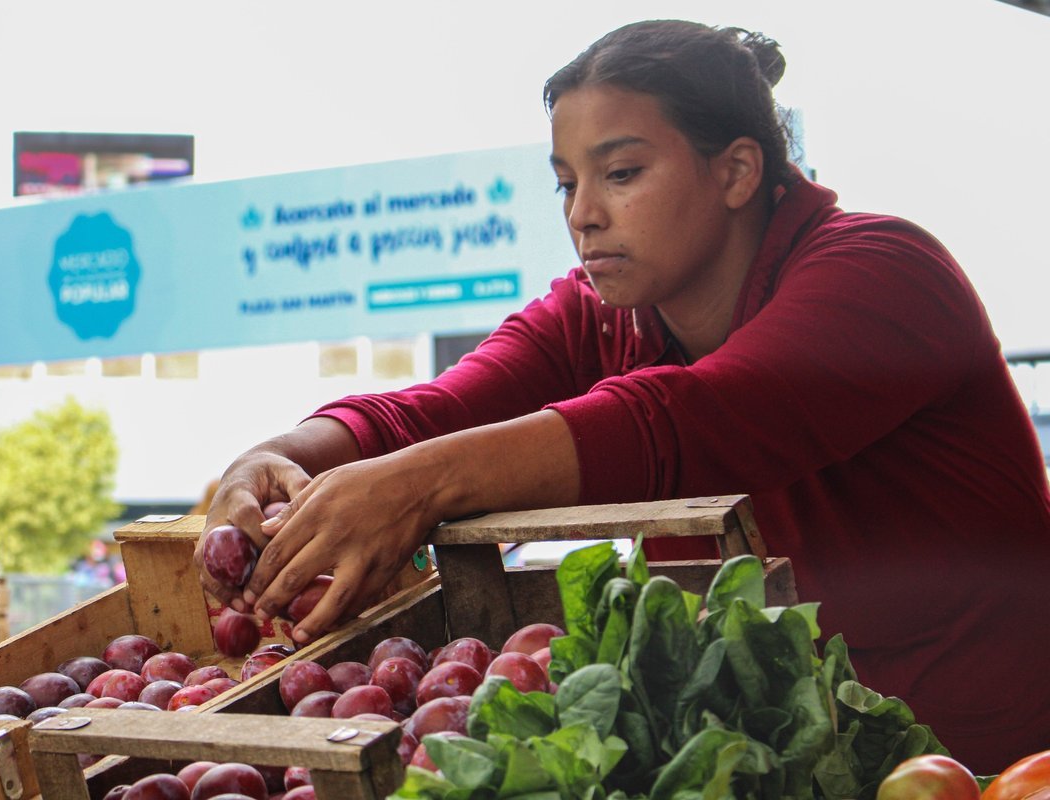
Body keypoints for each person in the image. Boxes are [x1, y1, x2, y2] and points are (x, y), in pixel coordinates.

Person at [196, 20, 1050, 773]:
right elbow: (435, 410)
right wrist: (274, 458)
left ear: (739, 171)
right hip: (783, 765)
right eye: (567, 183)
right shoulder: (595, 315)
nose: (583, 215)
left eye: (622, 172)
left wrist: (418, 484)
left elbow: (687, 423)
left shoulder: (886, 273)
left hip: (993, 765)